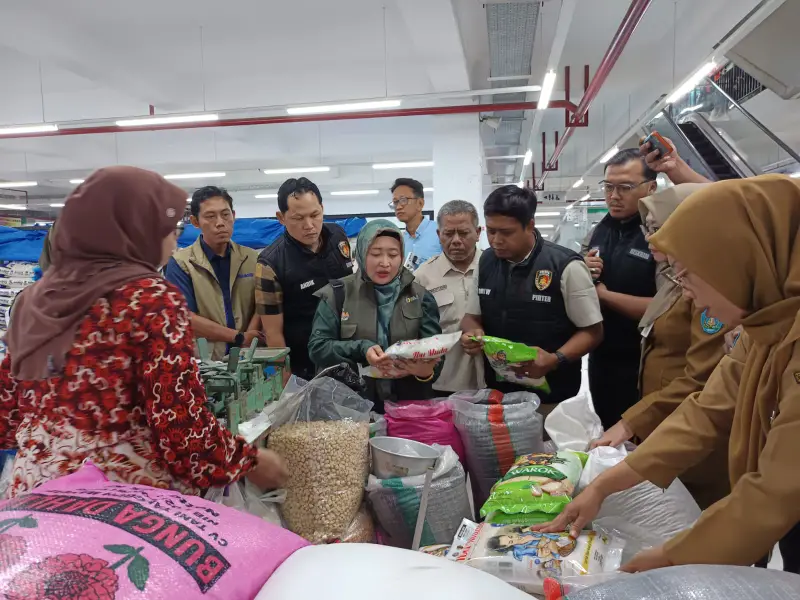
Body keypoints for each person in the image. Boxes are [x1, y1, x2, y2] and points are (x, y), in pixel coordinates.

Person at [536, 175, 800, 574]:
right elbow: (706, 411)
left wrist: (667, 559)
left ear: (736, 260)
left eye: (687, 274)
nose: (686, 292)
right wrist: (604, 486)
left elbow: (775, 492)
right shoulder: (765, 327)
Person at [0, 167, 286, 497]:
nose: (174, 238)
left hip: (35, 487)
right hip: (116, 494)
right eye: (165, 227)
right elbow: (179, 428)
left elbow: (8, 412)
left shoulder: (41, 297)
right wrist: (247, 460)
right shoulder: (150, 300)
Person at [590, 183, 732, 509]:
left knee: (703, 520)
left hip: (697, 432)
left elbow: (702, 377)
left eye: (660, 228)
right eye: (648, 229)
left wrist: (631, 422)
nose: (651, 238)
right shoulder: (671, 281)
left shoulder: (709, 287)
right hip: (669, 420)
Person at [460, 186, 603, 414]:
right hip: (500, 394)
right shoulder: (486, 262)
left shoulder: (565, 266)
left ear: (530, 225)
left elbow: (593, 331)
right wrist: (472, 333)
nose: (496, 240)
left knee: (546, 448)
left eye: (506, 232)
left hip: (552, 396)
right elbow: (471, 317)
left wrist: (555, 359)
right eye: (491, 231)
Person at [308, 219, 442, 413]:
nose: (385, 263)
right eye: (376, 254)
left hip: (407, 409)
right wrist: (362, 348)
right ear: (361, 253)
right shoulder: (337, 295)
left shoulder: (421, 297)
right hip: (350, 408)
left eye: (393, 254)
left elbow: (435, 354)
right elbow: (317, 348)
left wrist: (425, 371)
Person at [583, 148, 658, 429]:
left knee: (642, 434)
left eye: (625, 187)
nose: (614, 196)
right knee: (608, 427)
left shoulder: (661, 232)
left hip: (645, 359)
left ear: (651, 187)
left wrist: (603, 294)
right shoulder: (600, 230)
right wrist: (582, 269)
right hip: (602, 354)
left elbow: (666, 308)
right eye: (608, 186)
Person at [256, 177, 354, 381]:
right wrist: (286, 385)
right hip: (305, 367)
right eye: (298, 218)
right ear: (281, 218)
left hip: (348, 354)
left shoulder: (337, 236)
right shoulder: (270, 264)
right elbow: (273, 334)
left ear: (322, 208)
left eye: (315, 215)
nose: (309, 225)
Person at [165, 186, 261, 360]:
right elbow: (186, 317)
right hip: (207, 365)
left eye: (225, 214)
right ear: (195, 222)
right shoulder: (182, 263)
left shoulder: (253, 259)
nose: (220, 222)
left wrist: (248, 339)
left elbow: (263, 301)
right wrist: (237, 337)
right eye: (210, 216)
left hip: (250, 359)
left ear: (234, 215)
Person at [414, 200, 484, 393]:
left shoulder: (495, 269)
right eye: (448, 233)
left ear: (478, 233)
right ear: (439, 235)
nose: (456, 240)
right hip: (443, 383)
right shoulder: (423, 276)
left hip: (492, 381)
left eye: (463, 233)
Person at [390, 178, 441, 270]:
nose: (398, 207)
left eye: (403, 200)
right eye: (395, 202)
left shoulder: (440, 232)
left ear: (420, 203)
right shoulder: (400, 241)